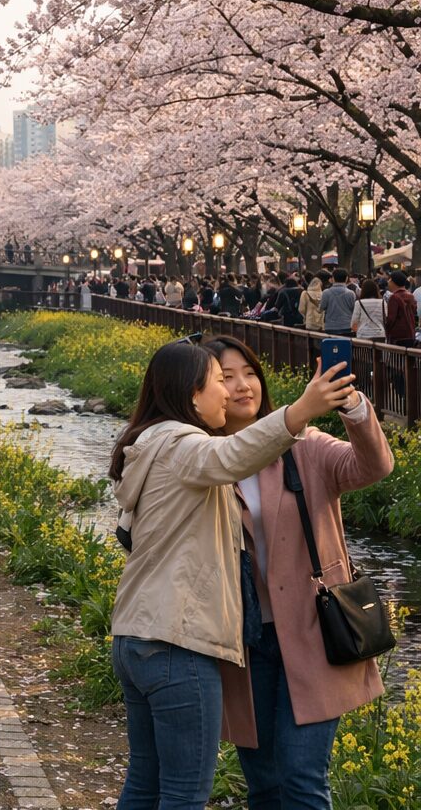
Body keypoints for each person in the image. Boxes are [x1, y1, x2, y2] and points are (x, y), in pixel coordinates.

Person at [109, 340, 355, 810]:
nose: (230, 392)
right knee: (184, 794)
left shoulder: (146, 443)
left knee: (145, 784)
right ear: (191, 391)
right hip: (178, 644)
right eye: (220, 380)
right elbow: (229, 459)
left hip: (134, 636)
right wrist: (301, 408)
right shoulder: (184, 444)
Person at [203, 335, 392, 810]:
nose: (243, 385)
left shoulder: (302, 445)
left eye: (249, 372)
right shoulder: (203, 458)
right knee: (264, 784)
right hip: (245, 642)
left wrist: (352, 409)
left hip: (313, 633)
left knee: (302, 779)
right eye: (226, 377)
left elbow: (372, 466)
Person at [318, 267, 356, 336]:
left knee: (331, 346)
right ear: (346, 278)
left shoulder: (326, 293)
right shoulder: (351, 293)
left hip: (330, 327)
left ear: (333, 278)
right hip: (347, 326)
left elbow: (320, 309)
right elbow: (354, 310)